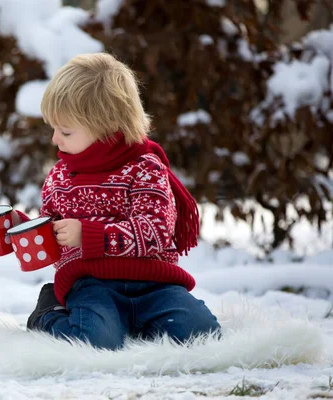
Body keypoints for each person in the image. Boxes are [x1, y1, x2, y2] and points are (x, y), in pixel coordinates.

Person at [21, 53, 220, 350]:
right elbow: (55, 230)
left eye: (65, 131)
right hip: (92, 285)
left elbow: (155, 231)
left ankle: (133, 323)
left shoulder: (145, 168)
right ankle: (47, 315)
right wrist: (24, 231)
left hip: (154, 285)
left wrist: (88, 235)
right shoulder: (61, 176)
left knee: (201, 332)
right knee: (95, 341)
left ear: (106, 125)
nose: (55, 140)